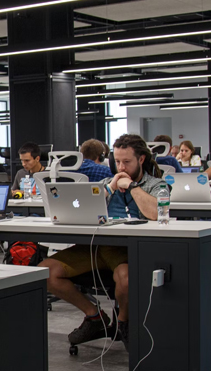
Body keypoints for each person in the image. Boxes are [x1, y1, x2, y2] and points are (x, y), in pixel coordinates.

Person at [40, 134, 164, 350]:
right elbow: (81, 211)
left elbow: (155, 213)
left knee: (125, 278)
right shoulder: (106, 183)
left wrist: (132, 186)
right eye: (117, 161)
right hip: (98, 247)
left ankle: (123, 322)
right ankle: (94, 316)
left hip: (128, 250)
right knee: (46, 271)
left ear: (141, 159)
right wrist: (110, 188)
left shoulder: (156, 184)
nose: (121, 166)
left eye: (127, 161)